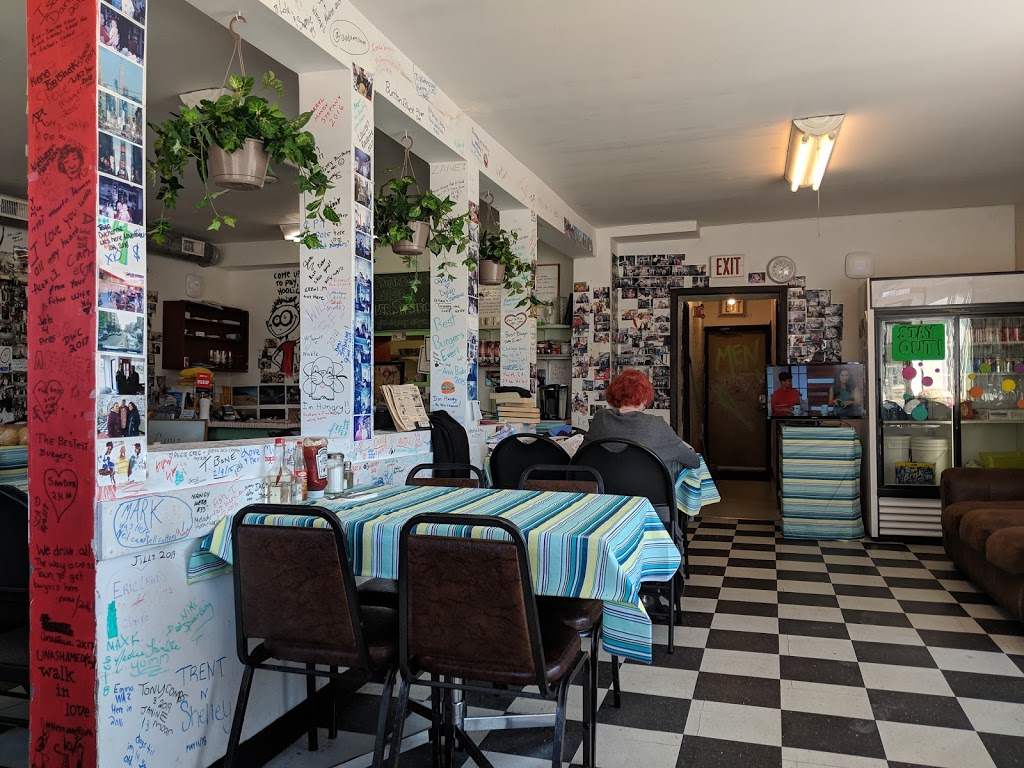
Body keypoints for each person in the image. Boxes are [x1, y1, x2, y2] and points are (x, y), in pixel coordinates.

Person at [580, 369, 699, 469]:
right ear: (645, 398)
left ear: (614, 395)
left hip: (603, 489)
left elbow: (579, 457)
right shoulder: (657, 425)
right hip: (650, 490)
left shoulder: (600, 418)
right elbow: (694, 461)